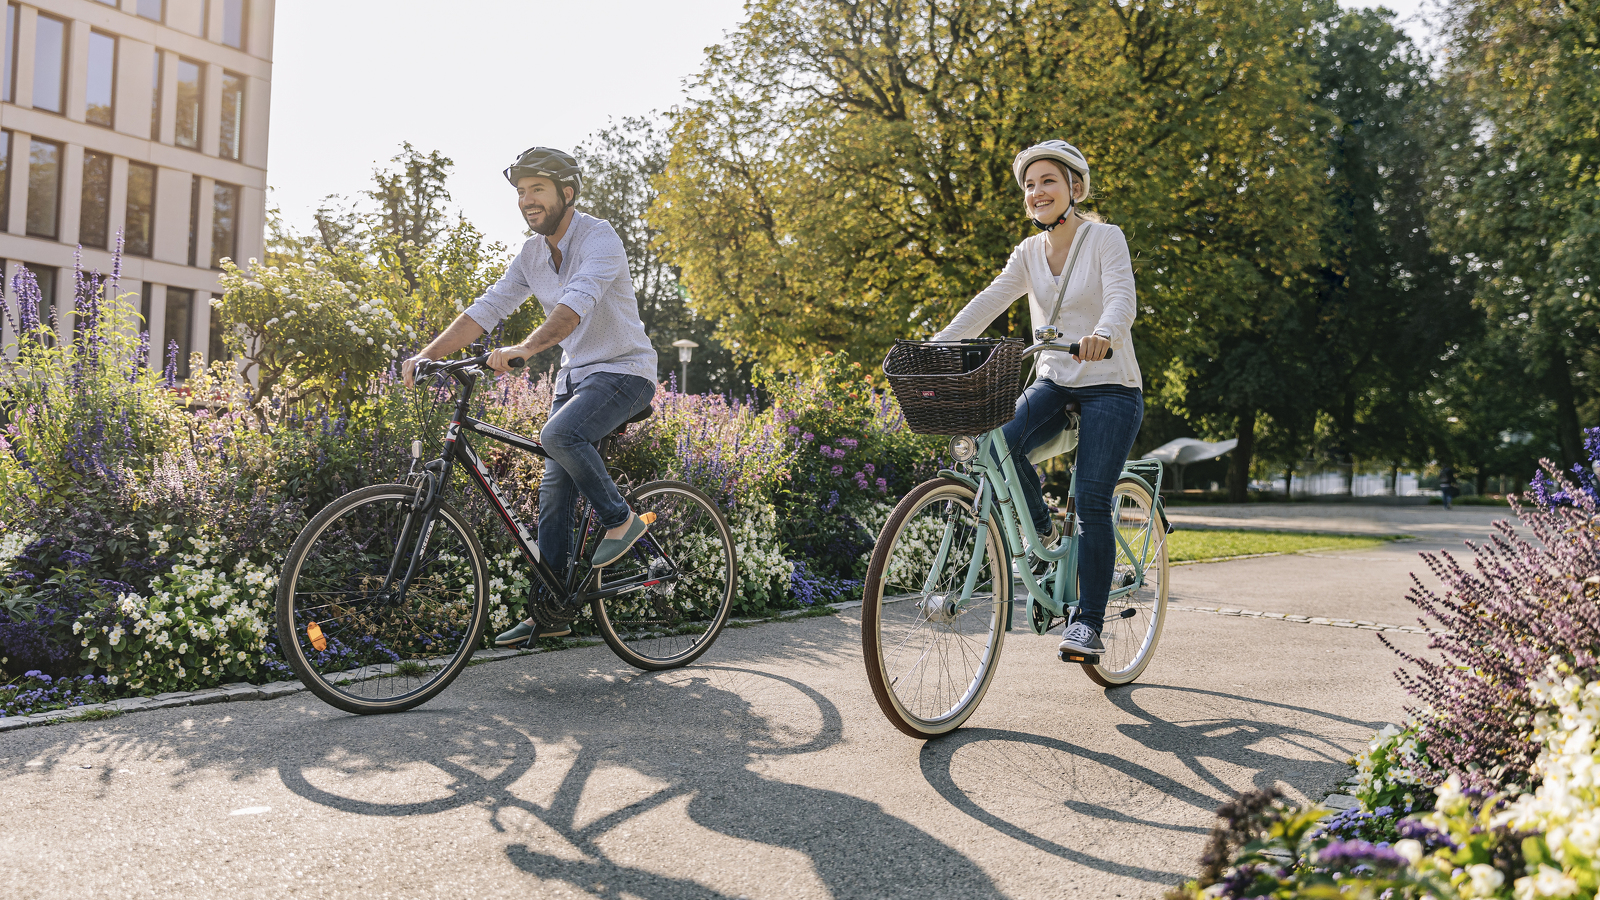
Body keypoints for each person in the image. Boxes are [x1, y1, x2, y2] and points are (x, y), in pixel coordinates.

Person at [402, 146, 658, 643]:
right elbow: (489, 306)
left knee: (559, 435)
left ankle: (621, 519)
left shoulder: (598, 237)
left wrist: (526, 347)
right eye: (521, 192)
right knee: (553, 493)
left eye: (537, 189)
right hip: (576, 379)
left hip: (624, 372)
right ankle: (553, 613)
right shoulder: (530, 253)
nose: (526, 200)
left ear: (567, 192)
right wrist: (427, 354)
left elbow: (575, 304)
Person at [931, 140, 1144, 658]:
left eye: (1047, 180)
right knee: (998, 442)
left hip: (1110, 383)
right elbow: (989, 300)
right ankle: (1045, 536)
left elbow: (1122, 297)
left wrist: (1104, 332)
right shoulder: (1028, 253)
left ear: (1074, 187)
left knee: (1092, 498)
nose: (1036, 191)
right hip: (1055, 381)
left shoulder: (1104, 238)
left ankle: (1087, 622)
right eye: (1029, 185)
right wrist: (937, 345)